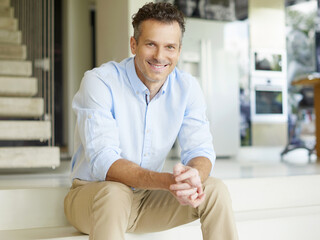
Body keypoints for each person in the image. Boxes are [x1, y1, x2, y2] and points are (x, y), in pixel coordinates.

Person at [64, 2, 238, 240]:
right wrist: (168, 181)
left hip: (146, 200)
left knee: (215, 189)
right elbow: (105, 161)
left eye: (170, 47)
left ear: (179, 50)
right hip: (93, 197)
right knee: (115, 193)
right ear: (133, 44)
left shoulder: (187, 87)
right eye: (151, 44)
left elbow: (200, 149)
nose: (160, 56)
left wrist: (193, 176)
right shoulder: (99, 82)